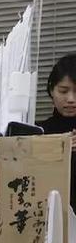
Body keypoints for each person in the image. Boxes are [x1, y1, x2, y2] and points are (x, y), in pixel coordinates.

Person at [38, 54, 76, 206]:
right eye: (63, 91)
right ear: (51, 90)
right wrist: (56, 147)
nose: (71, 99)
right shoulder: (40, 131)